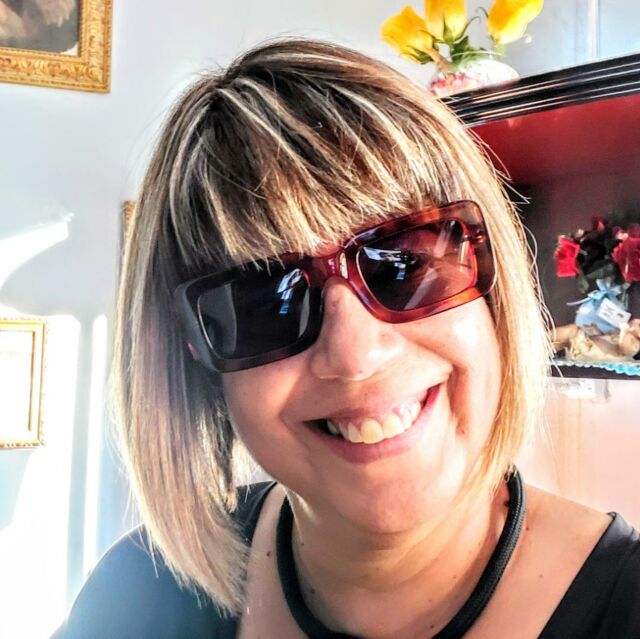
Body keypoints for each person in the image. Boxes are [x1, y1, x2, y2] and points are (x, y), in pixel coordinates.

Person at [53, 39, 640, 639]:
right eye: (264, 301)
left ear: (493, 287)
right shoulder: (136, 595)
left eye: (403, 264)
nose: (356, 356)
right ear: (198, 358)